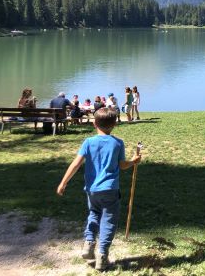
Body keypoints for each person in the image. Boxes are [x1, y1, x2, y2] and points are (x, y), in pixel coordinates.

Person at [56, 108, 141, 271]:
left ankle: (88, 245)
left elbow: (75, 164)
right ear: (114, 124)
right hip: (110, 190)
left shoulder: (88, 142)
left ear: (94, 124)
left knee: (94, 214)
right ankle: (102, 256)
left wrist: (63, 182)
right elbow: (123, 166)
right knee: (108, 221)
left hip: (92, 190)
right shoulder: (118, 143)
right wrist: (133, 161)